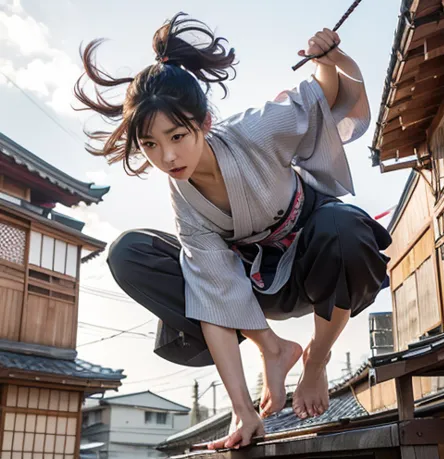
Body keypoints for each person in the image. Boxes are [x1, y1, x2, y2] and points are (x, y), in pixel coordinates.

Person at [74, 12, 391, 450]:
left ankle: (315, 358)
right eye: (149, 145)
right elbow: (215, 299)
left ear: (203, 123)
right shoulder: (185, 202)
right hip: (256, 289)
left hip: (315, 256)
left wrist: (329, 57)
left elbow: (325, 90)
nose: (167, 156)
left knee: (345, 227)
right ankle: (273, 348)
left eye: (177, 135)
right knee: (128, 252)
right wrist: (242, 411)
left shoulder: (256, 129)